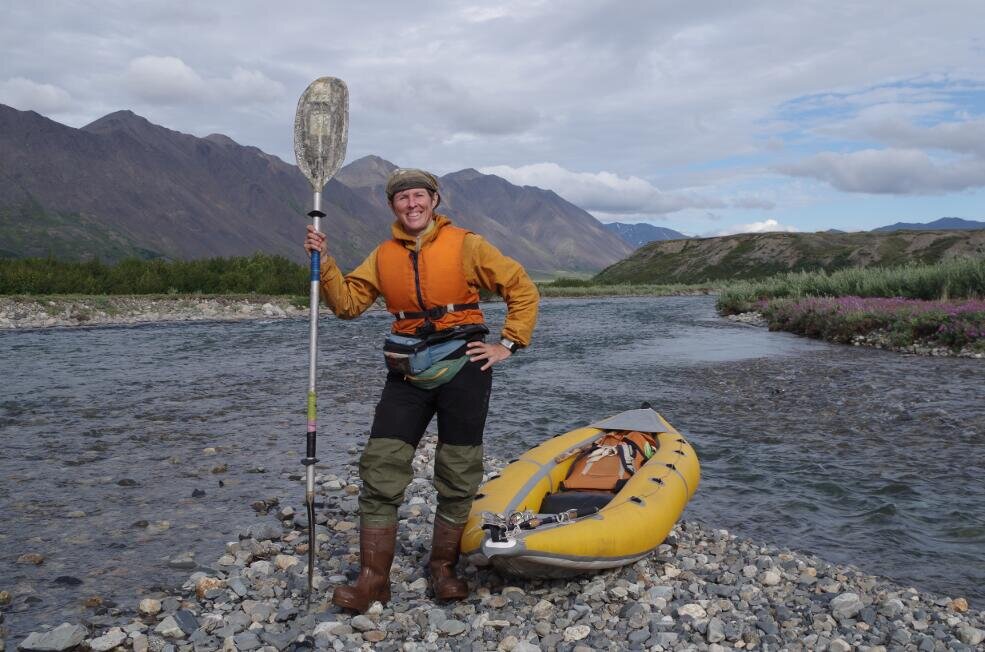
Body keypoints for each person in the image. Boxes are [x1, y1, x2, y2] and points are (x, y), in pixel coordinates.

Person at [303, 167, 538, 612]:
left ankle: (442, 568)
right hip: (407, 371)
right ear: (392, 206)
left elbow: (521, 287)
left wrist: (508, 343)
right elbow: (349, 305)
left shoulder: (467, 244)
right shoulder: (382, 255)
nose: (411, 204)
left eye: (419, 196)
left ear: (434, 200)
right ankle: (374, 580)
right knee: (380, 466)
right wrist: (326, 262)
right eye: (402, 198)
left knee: (458, 470)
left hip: (465, 367)